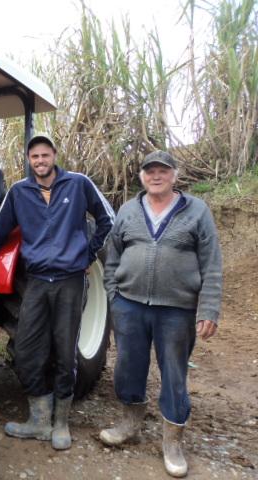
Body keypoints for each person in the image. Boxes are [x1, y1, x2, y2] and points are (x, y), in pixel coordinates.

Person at [0, 134, 114, 450]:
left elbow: (106, 221)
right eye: (35, 157)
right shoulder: (19, 192)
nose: (40, 161)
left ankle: (60, 423)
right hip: (39, 281)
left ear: (54, 155)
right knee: (27, 349)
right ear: (29, 161)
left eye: (45, 155)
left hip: (70, 281)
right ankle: (39, 419)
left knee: (65, 348)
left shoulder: (78, 184)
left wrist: (87, 255)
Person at [99, 151, 222, 477]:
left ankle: (172, 441)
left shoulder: (196, 211)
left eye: (163, 171)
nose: (156, 176)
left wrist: (208, 307)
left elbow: (212, 263)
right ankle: (130, 423)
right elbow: (112, 257)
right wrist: (114, 297)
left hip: (177, 310)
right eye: (149, 171)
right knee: (128, 366)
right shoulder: (128, 210)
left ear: (175, 175)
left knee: (174, 373)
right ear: (141, 176)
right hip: (130, 305)